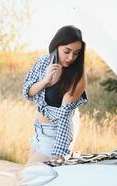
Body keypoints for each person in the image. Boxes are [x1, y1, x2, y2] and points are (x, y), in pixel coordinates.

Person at [22, 25, 88, 165]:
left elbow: (66, 117)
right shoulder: (44, 63)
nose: (71, 58)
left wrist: (60, 151)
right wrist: (45, 81)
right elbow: (27, 92)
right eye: (67, 51)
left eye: (76, 53)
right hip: (39, 132)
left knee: (27, 177)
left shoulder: (78, 77)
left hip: (54, 136)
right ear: (56, 46)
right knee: (34, 182)